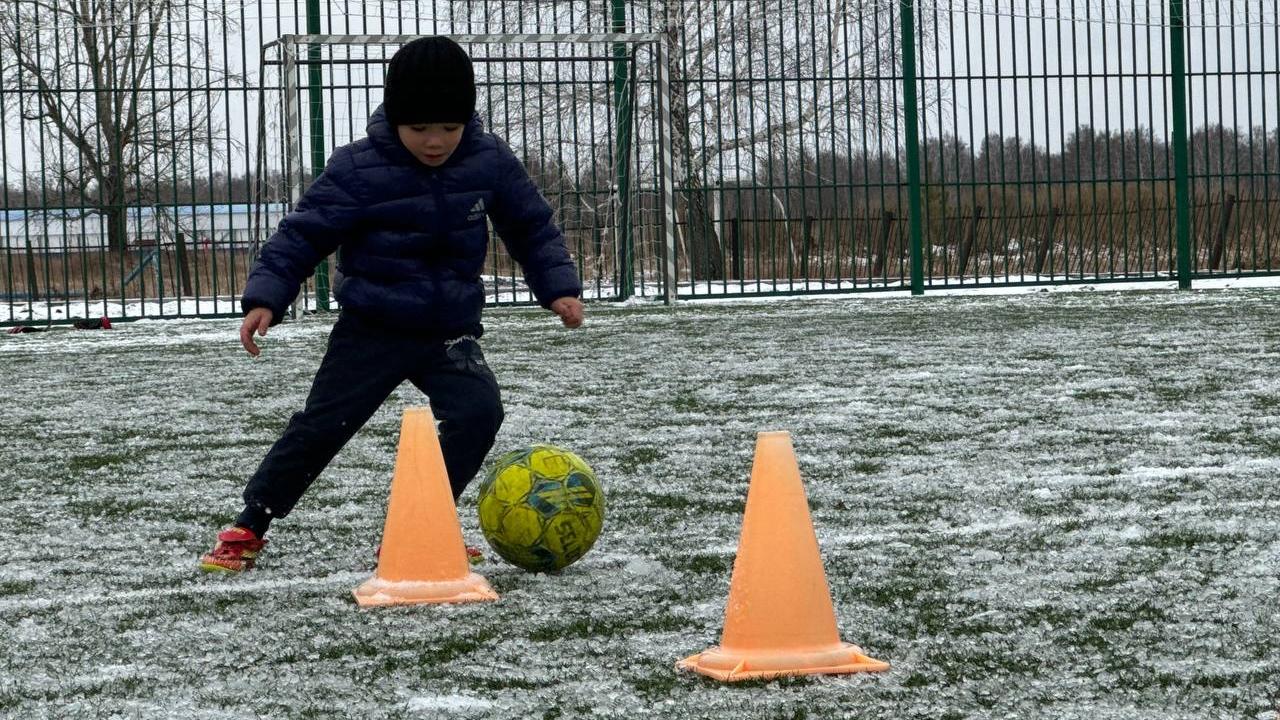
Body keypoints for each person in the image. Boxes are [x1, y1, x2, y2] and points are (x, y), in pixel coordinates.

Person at [200, 36, 584, 573]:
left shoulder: (490, 161)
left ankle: (422, 527)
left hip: (448, 331)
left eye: (448, 127)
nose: (435, 141)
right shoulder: (358, 168)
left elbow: (531, 227)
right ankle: (250, 522)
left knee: (478, 413)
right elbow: (302, 234)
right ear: (396, 117)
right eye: (420, 127)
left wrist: (559, 287)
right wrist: (266, 296)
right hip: (371, 329)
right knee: (322, 426)